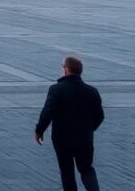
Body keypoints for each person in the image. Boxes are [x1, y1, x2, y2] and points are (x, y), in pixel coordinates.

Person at [36, 56, 104, 191]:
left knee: (67, 172)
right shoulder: (91, 91)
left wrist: (39, 130)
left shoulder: (56, 89)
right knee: (86, 169)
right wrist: (89, 129)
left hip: (62, 139)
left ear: (66, 69)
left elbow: (47, 112)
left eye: (63, 66)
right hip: (84, 139)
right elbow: (100, 116)